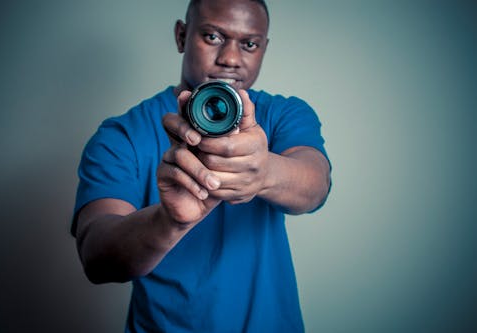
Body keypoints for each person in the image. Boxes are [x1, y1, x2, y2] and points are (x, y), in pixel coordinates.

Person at [72, 0, 331, 331]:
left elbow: (315, 184)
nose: (231, 59)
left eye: (249, 44)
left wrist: (264, 173)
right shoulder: (121, 135)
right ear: (182, 36)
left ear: (264, 49)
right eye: (212, 37)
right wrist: (169, 222)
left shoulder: (283, 115)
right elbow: (96, 257)